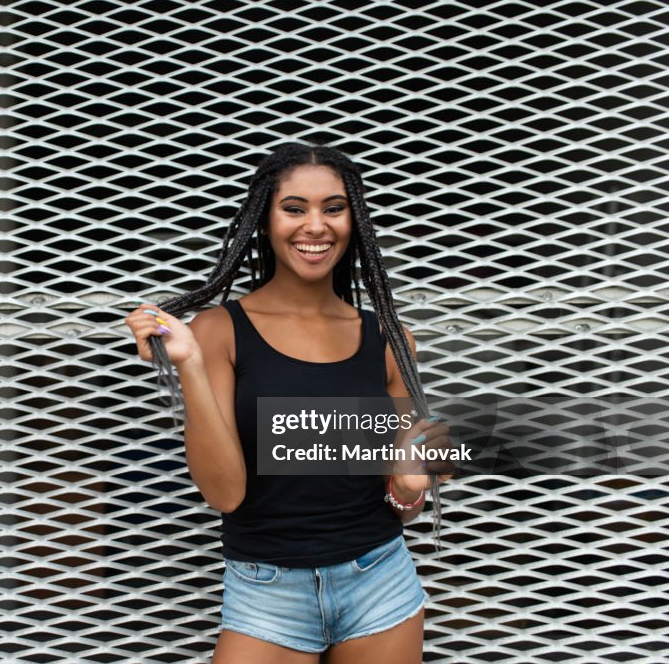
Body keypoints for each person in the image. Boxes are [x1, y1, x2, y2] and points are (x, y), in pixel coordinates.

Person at [123, 141, 455, 663]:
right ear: (264, 220)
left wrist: (412, 485)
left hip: (380, 581)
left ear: (355, 221)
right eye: (295, 208)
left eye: (334, 208)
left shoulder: (391, 338)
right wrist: (188, 364)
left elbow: (402, 501)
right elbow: (225, 493)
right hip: (266, 591)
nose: (316, 226)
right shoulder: (218, 331)